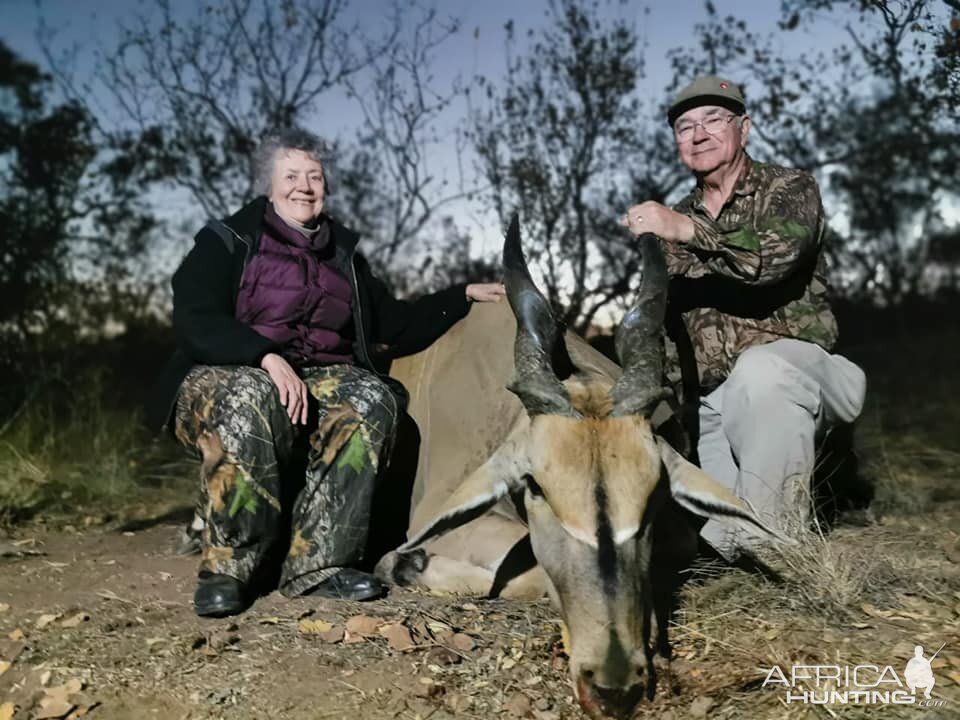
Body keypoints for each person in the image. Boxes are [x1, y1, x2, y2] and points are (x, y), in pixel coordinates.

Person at [146, 127, 505, 617]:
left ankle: (319, 566)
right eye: (290, 175)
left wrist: (459, 295)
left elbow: (393, 323)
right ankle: (229, 566)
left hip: (314, 375)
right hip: (224, 373)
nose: (304, 186)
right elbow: (194, 316)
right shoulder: (227, 239)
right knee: (252, 395)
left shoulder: (345, 257)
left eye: (314, 176)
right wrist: (264, 356)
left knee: (370, 398)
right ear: (268, 186)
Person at [621, 75, 867, 561]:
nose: (698, 133)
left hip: (805, 375)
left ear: (744, 128)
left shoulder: (789, 188)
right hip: (715, 406)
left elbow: (770, 260)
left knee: (761, 372)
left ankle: (786, 551)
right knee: (720, 544)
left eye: (714, 119)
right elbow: (656, 324)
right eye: (685, 126)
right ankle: (754, 538)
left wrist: (683, 229)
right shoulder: (670, 223)